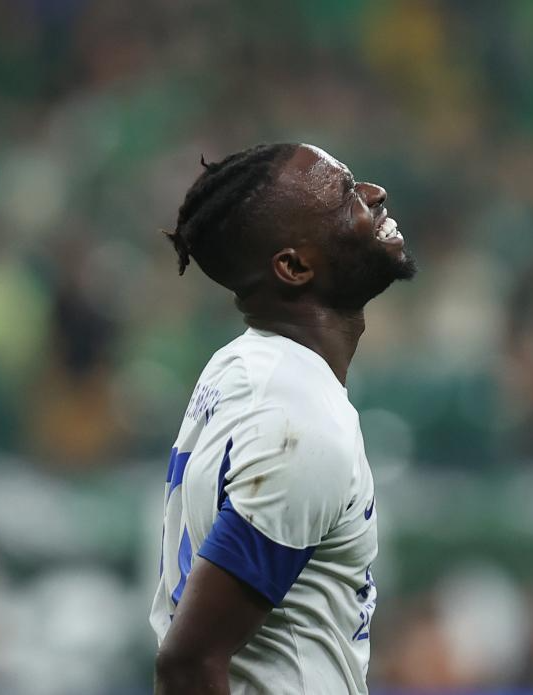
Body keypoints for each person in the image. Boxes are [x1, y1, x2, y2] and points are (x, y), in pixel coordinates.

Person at [150, 143, 416, 694]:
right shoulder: (298, 419)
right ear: (294, 267)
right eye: (345, 197)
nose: (374, 194)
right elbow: (189, 662)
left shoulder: (242, 367)